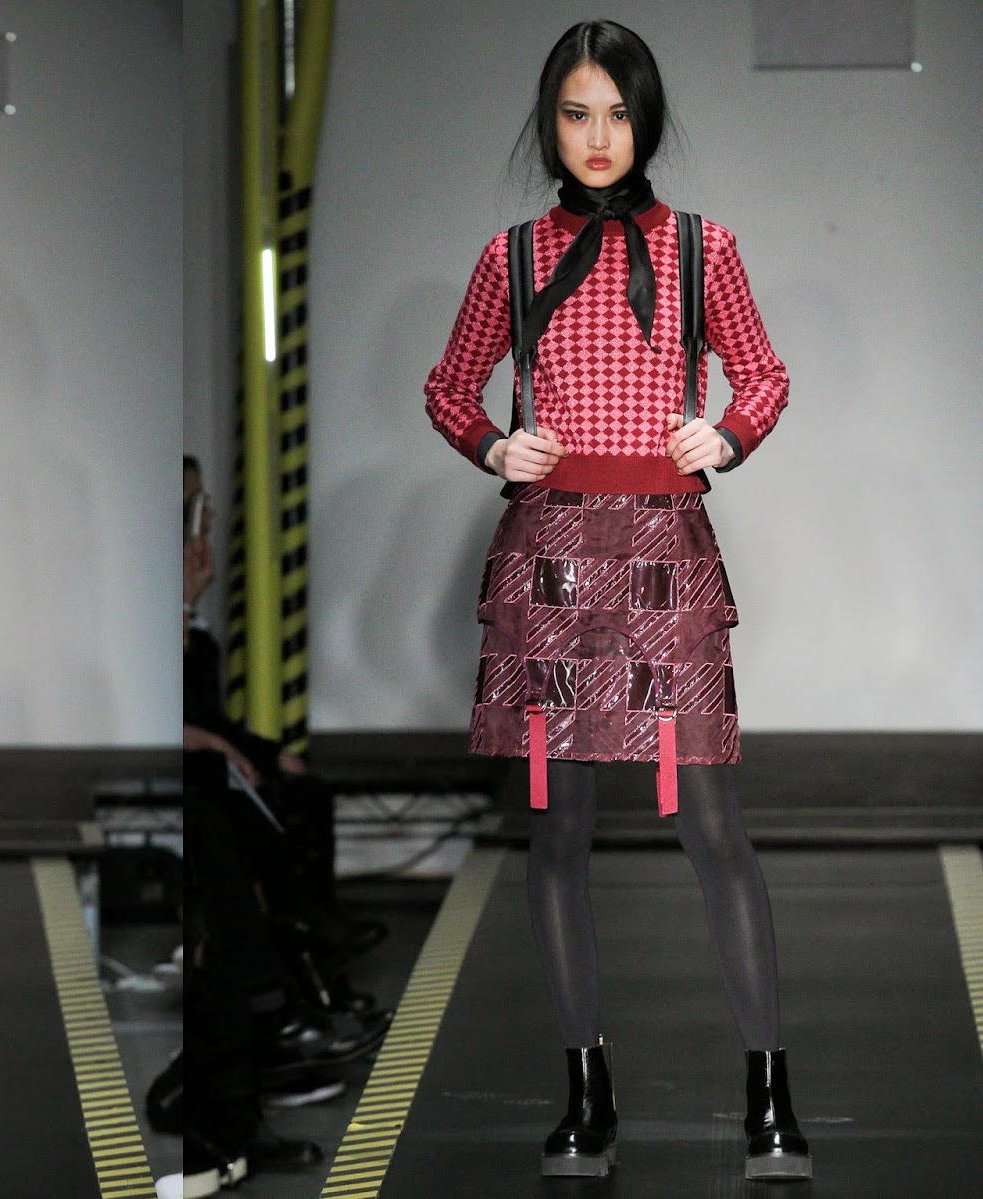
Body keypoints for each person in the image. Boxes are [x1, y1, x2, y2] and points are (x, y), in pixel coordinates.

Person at [423, 20, 808, 1183]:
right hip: (549, 559)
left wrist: (725, 435)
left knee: (711, 825)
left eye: (618, 113)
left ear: (647, 121)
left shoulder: (701, 247)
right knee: (558, 831)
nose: (597, 136)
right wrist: (495, 446)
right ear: (549, 122)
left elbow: (765, 374)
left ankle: (769, 1087)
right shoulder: (510, 256)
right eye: (576, 112)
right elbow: (448, 387)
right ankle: (584, 1089)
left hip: (662, 553)